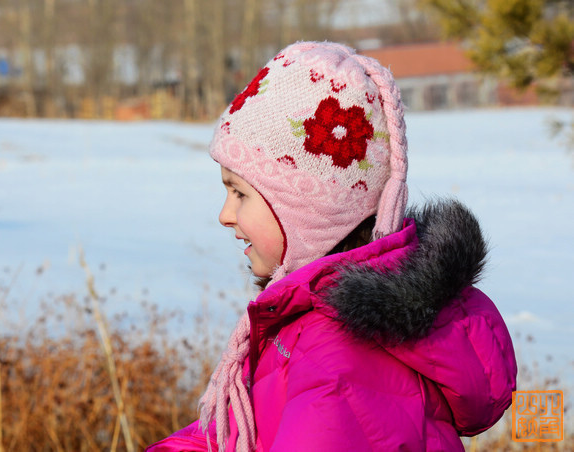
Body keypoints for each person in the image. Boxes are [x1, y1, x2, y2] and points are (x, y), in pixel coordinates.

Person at [147, 41, 517, 452]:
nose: (225, 215)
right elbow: (240, 433)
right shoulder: (311, 318)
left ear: (309, 210)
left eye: (239, 193)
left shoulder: (335, 366)